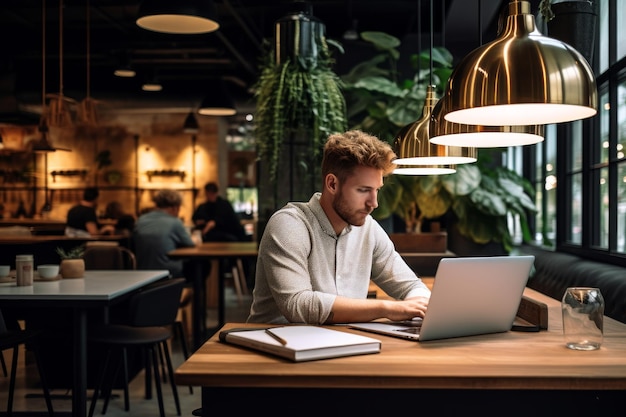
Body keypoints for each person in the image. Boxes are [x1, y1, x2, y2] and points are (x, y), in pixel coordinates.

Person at [247, 130, 431, 325]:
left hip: (343, 344)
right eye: (363, 190)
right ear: (332, 184)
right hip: (271, 346)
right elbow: (298, 305)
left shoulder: (369, 229)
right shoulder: (289, 224)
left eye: (377, 190)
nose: (374, 203)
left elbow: (411, 285)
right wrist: (388, 308)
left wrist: (418, 303)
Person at [132, 190, 196, 278]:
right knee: (203, 265)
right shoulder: (175, 222)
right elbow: (190, 244)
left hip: (142, 271)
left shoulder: (140, 220)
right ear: (175, 207)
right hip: (167, 271)